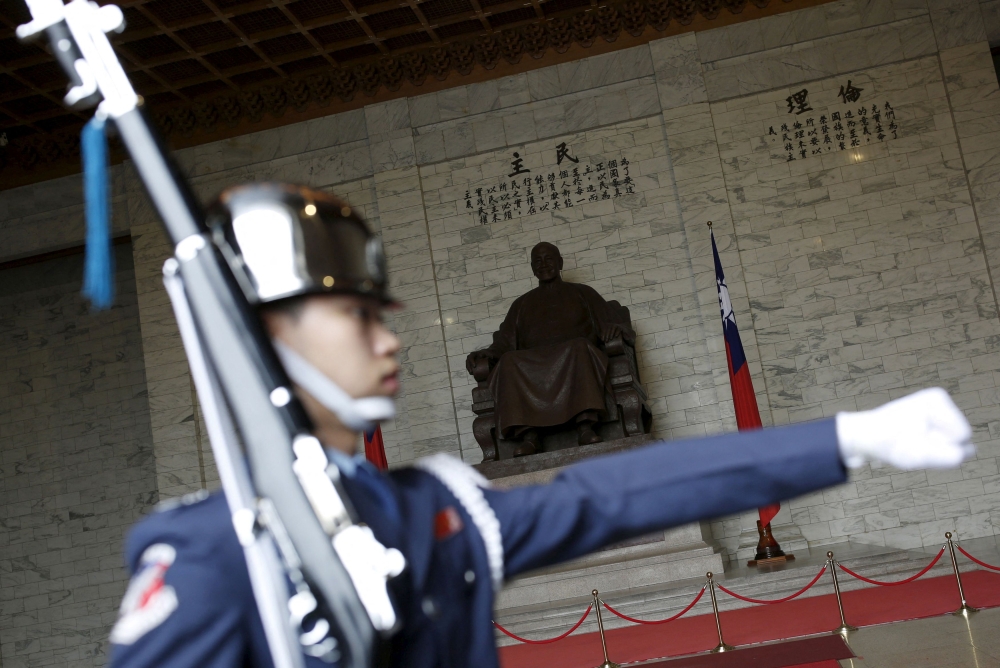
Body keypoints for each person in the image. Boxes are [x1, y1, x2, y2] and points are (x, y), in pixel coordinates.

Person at [107, 183, 974, 668]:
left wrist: (844, 439)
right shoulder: (213, 559)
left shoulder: (432, 512)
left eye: (382, 310)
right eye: (351, 315)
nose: (387, 335)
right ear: (267, 346)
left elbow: (611, 493)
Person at [466, 242, 634, 455]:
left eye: (549, 259)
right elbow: (503, 345)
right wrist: (486, 353)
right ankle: (529, 436)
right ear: (532, 268)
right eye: (537, 261)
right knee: (508, 361)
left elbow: (617, 324)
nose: (543, 265)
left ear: (560, 262)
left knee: (580, 347)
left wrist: (613, 328)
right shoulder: (521, 304)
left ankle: (585, 426)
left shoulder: (583, 293)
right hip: (534, 364)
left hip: (573, 355)